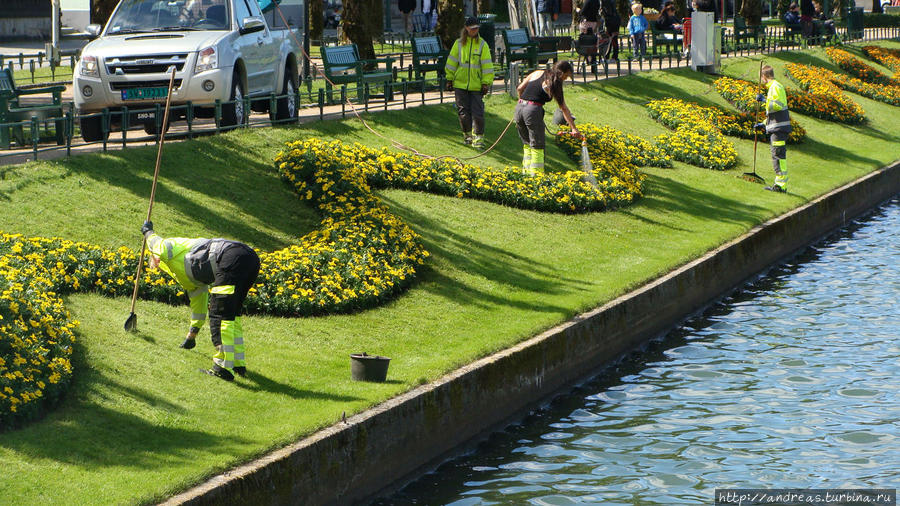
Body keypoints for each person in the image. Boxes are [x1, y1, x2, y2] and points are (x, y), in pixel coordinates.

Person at [141, 221, 261, 381]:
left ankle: (222, 369)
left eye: (155, 264)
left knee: (220, 315)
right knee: (232, 315)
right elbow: (199, 305)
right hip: (249, 257)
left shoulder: (170, 247)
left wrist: (147, 232)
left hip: (231, 256)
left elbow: (158, 244)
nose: (156, 266)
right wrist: (191, 336)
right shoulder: (187, 278)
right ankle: (238, 365)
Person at [514, 60, 581, 174]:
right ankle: (537, 176)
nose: (566, 79)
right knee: (537, 144)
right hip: (532, 111)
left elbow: (520, 88)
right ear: (561, 73)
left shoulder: (537, 72)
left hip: (519, 108)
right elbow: (563, 108)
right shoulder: (554, 82)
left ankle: (526, 172)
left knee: (527, 143)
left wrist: (523, 104)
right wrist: (573, 128)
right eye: (566, 76)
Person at [444, 16, 495, 149]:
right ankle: (467, 136)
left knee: (478, 113)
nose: (475, 30)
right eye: (472, 28)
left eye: (477, 28)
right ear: (466, 28)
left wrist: (486, 83)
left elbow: (487, 66)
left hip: (476, 85)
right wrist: (449, 79)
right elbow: (451, 62)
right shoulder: (458, 44)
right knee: (463, 113)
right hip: (460, 84)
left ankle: (479, 138)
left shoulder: (483, 45)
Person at [753, 65, 792, 193]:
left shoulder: (775, 87)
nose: (761, 80)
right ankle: (780, 185)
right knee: (778, 156)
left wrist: (765, 100)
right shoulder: (775, 87)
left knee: (778, 156)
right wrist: (763, 124)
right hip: (778, 127)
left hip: (779, 129)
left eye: (761, 77)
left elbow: (777, 106)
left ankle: (780, 186)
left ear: (764, 76)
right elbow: (773, 114)